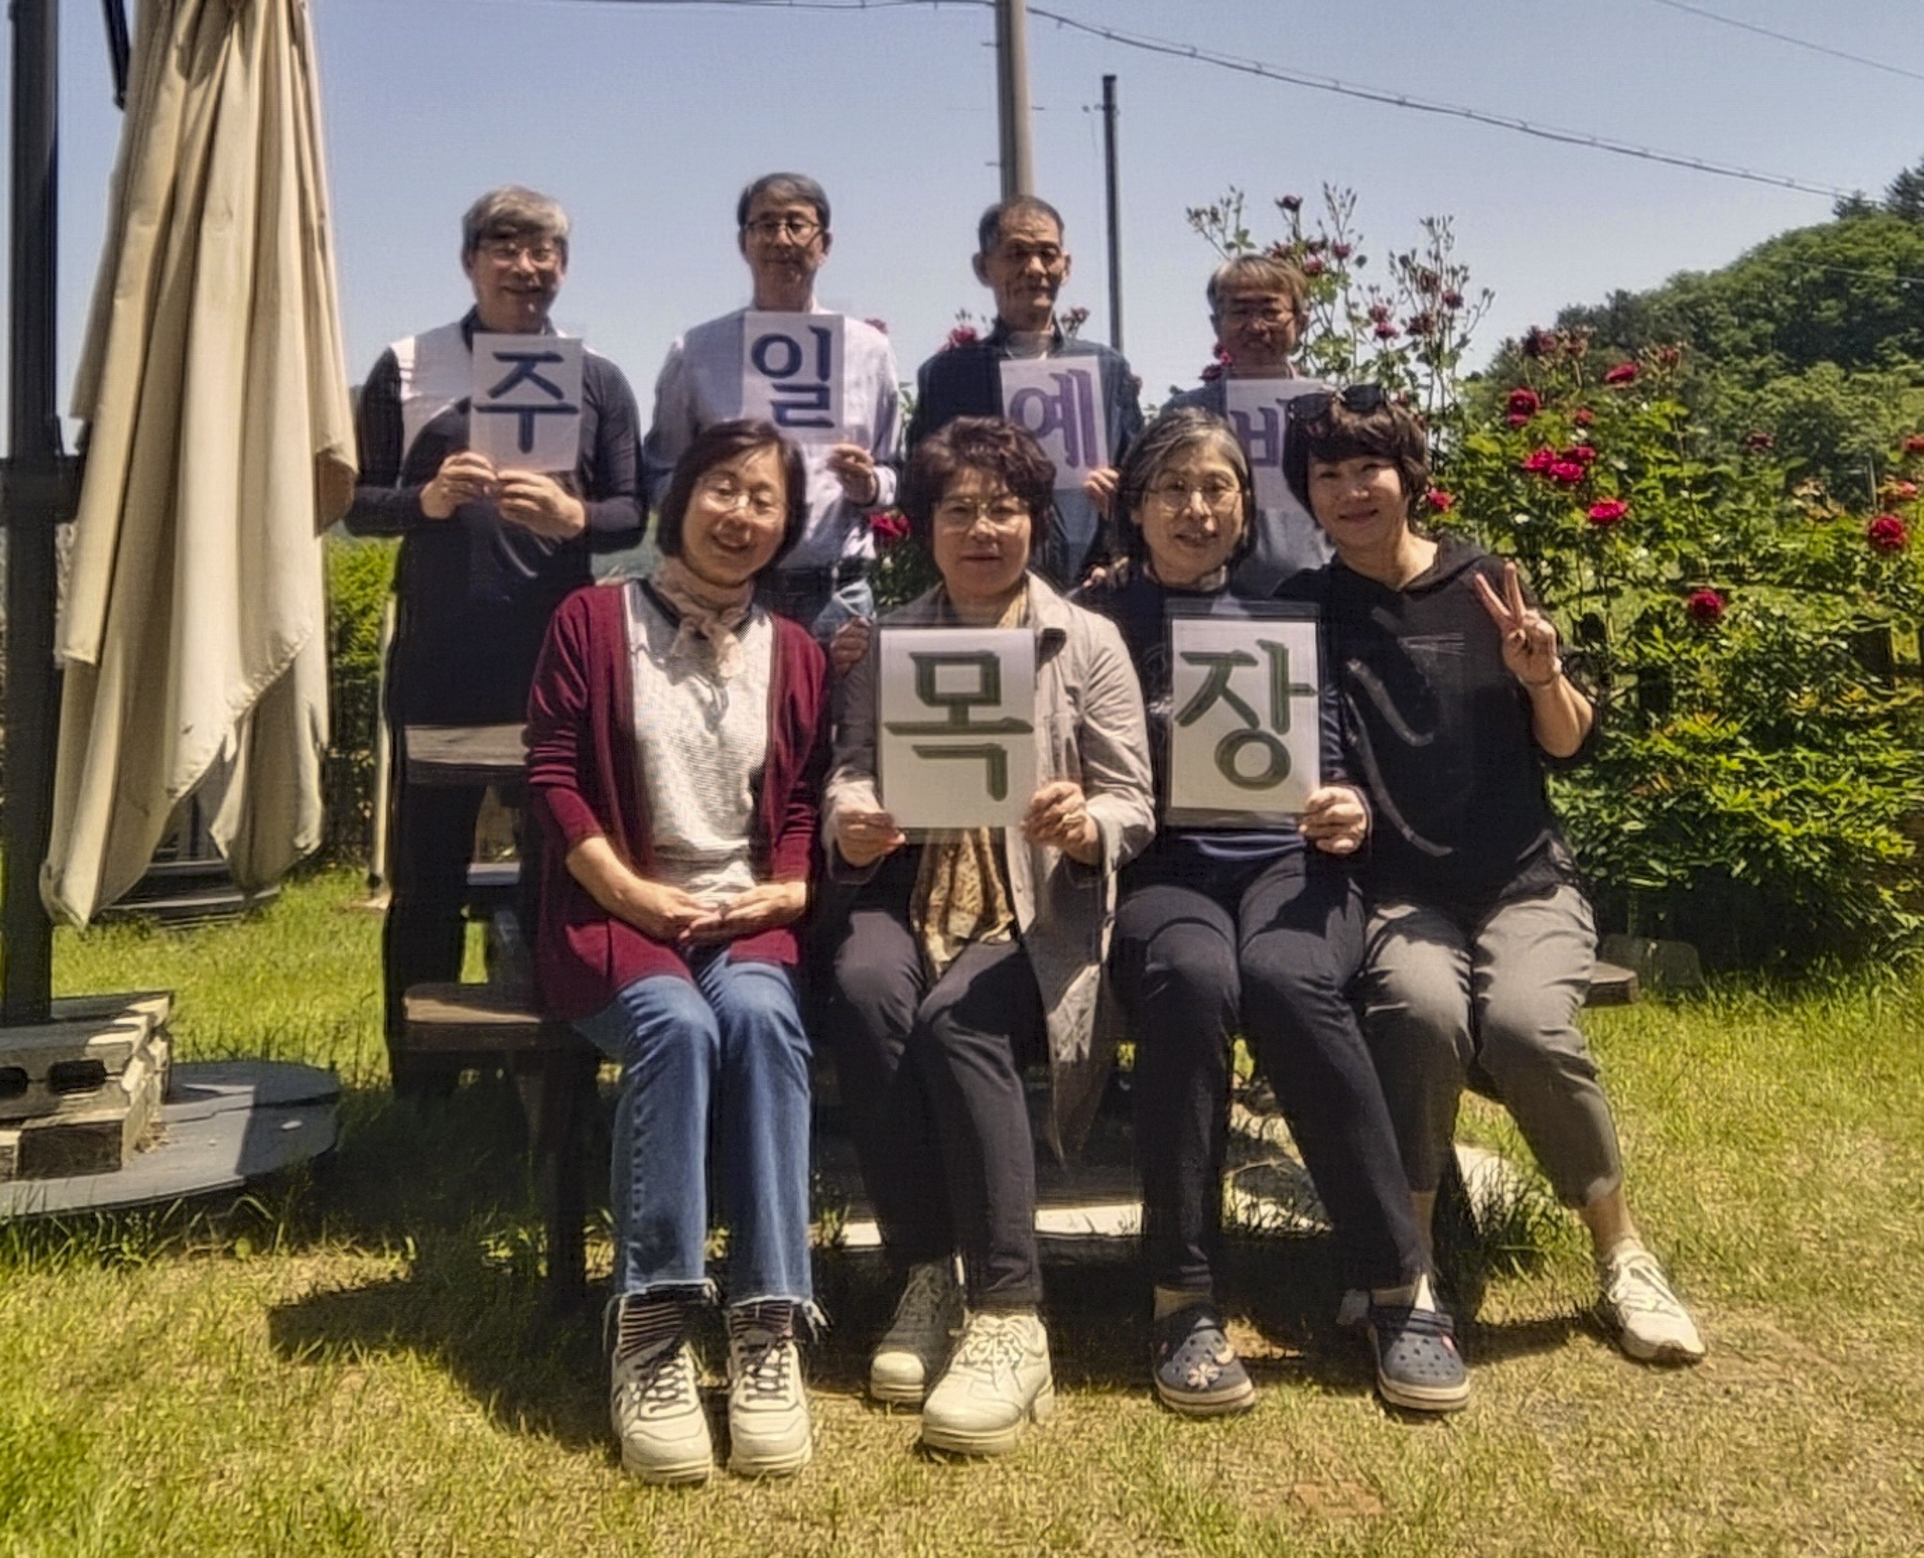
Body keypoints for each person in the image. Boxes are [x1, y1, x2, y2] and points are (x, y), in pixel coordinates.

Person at [1281, 385, 1707, 1367]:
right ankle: (1410, 1261)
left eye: (1369, 468)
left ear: (1408, 478)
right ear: (1309, 495)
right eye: (1328, 475)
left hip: (1522, 880)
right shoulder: (1309, 607)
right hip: (1396, 892)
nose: (1351, 490)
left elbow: (1568, 745)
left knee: (1523, 1026)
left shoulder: (1483, 583)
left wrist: (1539, 674)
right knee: (1420, 1012)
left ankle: (1622, 1254)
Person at [1081, 408, 1465, 1415]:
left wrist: (1346, 805)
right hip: (1162, 875)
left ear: (1246, 507)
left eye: (1217, 487)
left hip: (1291, 867)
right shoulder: (1094, 622)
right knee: (1190, 979)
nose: (1195, 508)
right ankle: (1182, 1297)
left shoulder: (1287, 611)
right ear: (1135, 505)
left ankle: (1398, 1281)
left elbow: (1333, 749)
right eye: (1172, 487)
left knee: (1287, 978)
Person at [821, 416, 1154, 1455]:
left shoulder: (1085, 640)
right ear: (923, 526)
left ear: (1036, 523)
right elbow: (850, 766)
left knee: (958, 1019)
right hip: (907, 887)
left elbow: (1133, 799)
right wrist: (852, 815)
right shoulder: (886, 642)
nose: (981, 529)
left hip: (1033, 906)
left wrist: (1087, 824)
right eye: (958, 509)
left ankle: (1011, 1313)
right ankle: (926, 1273)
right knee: (865, 987)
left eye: (1004, 509)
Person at [525, 420, 831, 1483]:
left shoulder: (796, 652)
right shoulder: (591, 618)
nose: (739, 513)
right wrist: (629, 891)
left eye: (764, 498)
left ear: (787, 525)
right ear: (682, 495)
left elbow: (802, 799)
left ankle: (766, 1323)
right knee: (676, 1027)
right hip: (612, 912)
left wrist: (791, 885)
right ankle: (651, 1328)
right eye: (722, 487)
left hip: (746, 916)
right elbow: (553, 773)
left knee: (758, 1020)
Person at [344, 185, 644, 1093]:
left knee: (559, 877)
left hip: (556, 671)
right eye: (505, 247)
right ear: (469, 261)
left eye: (544, 250)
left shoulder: (597, 379)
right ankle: (421, 1090)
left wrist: (573, 514)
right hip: (442, 668)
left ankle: (557, 1079)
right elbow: (356, 504)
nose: (526, 267)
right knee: (426, 883)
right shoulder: (407, 365)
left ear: (565, 266)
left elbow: (632, 512)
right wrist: (427, 501)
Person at [642, 173, 903, 639]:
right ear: (743, 243)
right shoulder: (696, 351)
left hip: (838, 595)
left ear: (824, 244)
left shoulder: (869, 350)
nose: (781, 239)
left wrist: (868, 486)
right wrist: (715, 505)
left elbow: (897, 472)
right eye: (765, 225)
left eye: (796, 225)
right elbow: (662, 473)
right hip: (726, 593)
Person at [906, 197, 1143, 588]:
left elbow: (1142, 483)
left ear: (1066, 266)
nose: (1034, 269)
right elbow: (918, 493)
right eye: (1016, 253)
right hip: (982, 587)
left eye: (1047, 254)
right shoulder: (948, 376)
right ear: (983, 267)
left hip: (1091, 588)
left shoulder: (1108, 369)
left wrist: (1119, 540)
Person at [1166, 253, 1332, 594]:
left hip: (1322, 595)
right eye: (1240, 312)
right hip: (1208, 598)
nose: (1256, 327)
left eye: (1270, 312)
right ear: (1217, 324)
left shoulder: (1332, 408)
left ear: (1300, 322)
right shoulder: (1184, 415)